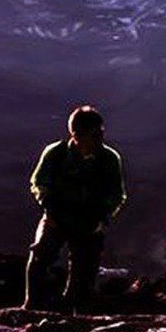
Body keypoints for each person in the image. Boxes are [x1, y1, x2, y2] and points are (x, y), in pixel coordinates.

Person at [24, 106, 126, 310]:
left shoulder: (110, 159)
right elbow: (39, 184)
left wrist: (101, 218)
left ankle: (75, 310)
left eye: (101, 132)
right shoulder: (55, 154)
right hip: (57, 216)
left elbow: (117, 195)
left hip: (89, 220)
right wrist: (50, 210)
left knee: (85, 268)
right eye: (94, 134)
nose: (100, 138)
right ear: (77, 135)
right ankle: (33, 305)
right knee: (40, 257)